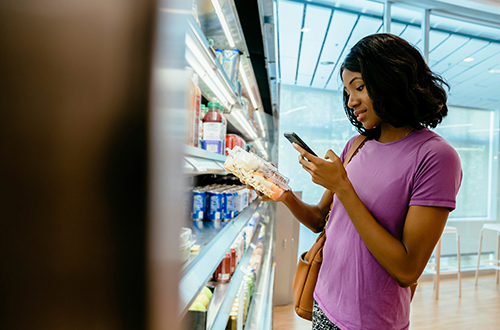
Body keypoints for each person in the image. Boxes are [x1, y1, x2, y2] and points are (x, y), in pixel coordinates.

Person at [253, 33, 462, 330]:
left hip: (371, 322)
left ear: (391, 80)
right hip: (323, 303)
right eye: (347, 91)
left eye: (360, 87)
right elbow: (320, 221)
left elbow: (407, 269)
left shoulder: (436, 156)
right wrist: (284, 194)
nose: (351, 101)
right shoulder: (356, 145)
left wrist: (342, 187)